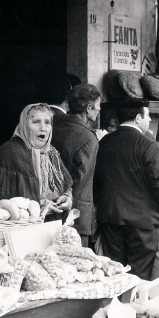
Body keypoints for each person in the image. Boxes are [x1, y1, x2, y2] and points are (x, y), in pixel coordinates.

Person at [93, 98, 159, 280]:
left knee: (115, 274)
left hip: (110, 218)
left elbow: (97, 182)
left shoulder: (104, 142)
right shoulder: (148, 145)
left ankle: (116, 308)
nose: (150, 120)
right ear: (138, 118)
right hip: (143, 223)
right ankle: (134, 309)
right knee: (139, 277)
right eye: (148, 116)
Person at [0, 103, 73, 217]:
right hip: (23, 227)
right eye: (36, 122)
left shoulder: (52, 153)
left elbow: (67, 185)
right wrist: (38, 205)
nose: (43, 128)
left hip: (53, 224)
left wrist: (67, 196)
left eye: (47, 122)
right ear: (24, 125)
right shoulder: (9, 152)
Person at [51, 84, 102, 246]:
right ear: (88, 107)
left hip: (50, 209)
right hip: (75, 217)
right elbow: (80, 180)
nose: (99, 109)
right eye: (98, 105)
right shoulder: (88, 138)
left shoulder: (54, 127)